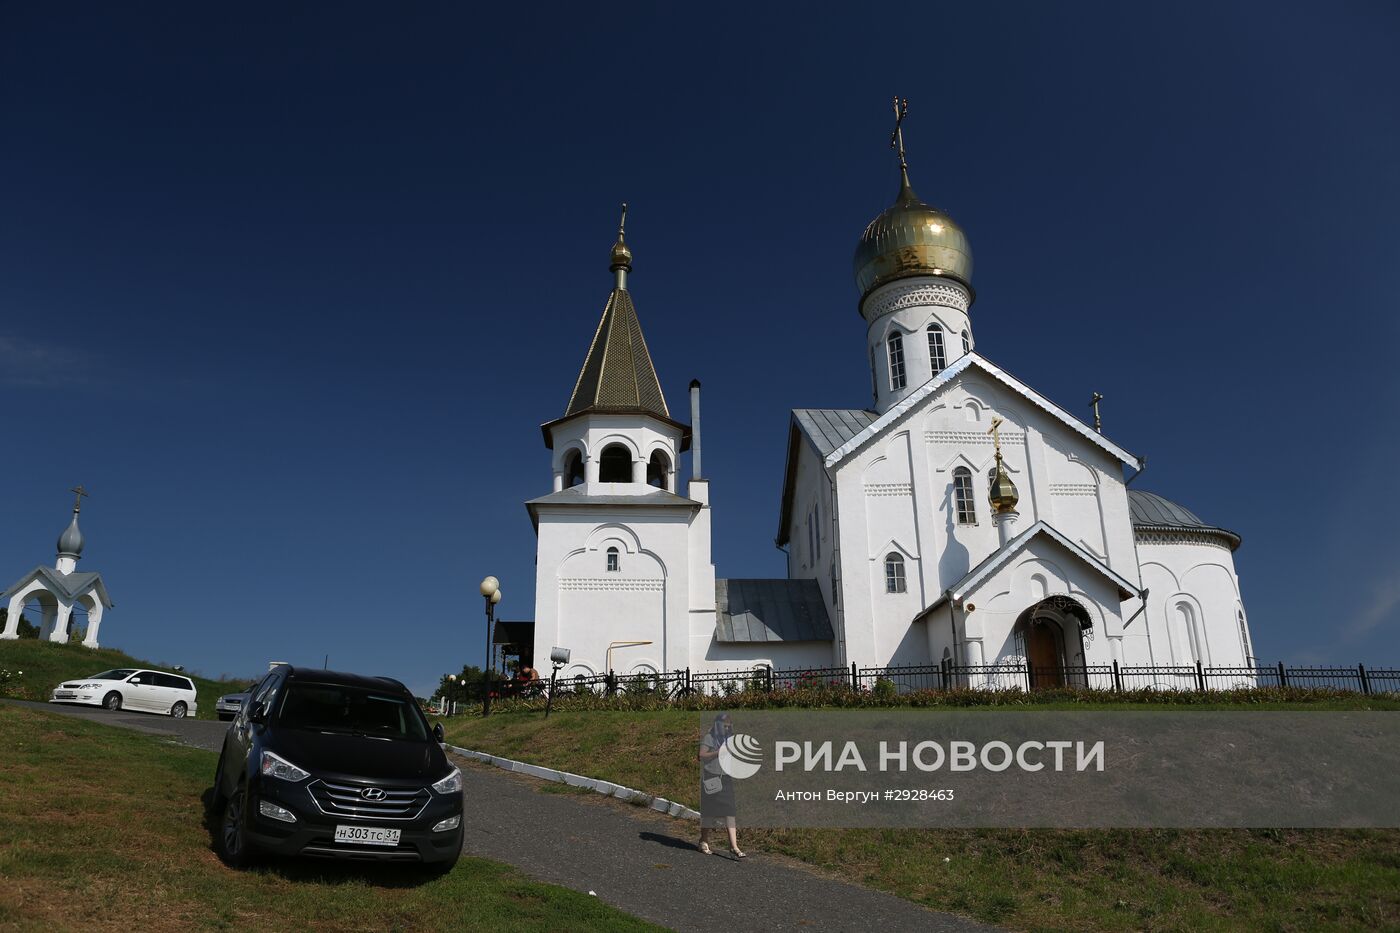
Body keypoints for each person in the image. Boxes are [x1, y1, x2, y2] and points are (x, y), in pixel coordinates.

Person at [696, 712, 746, 858]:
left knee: (730, 811)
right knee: (709, 811)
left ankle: (733, 846)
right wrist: (718, 753)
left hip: (726, 778)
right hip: (711, 778)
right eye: (724, 726)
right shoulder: (709, 737)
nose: (727, 729)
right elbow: (701, 755)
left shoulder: (729, 739)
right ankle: (703, 841)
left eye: (728, 726)